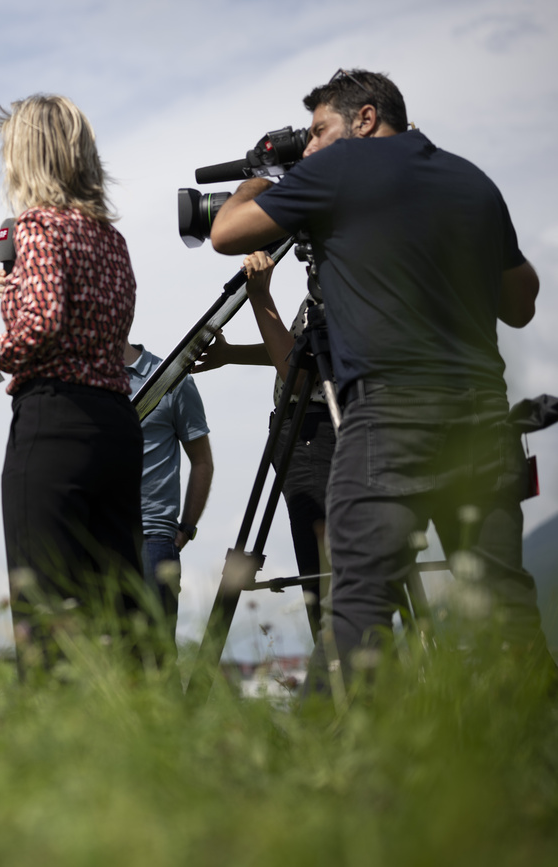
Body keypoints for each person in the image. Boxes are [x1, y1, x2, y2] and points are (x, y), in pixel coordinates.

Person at [209, 68, 552, 685]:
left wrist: (267, 171)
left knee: (358, 609)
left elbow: (226, 233)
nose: (310, 147)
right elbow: (522, 301)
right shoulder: (471, 179)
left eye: (319, 131)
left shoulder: (338, 170)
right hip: (483, 420)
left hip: (391, 417)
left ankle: (334, 763)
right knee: (506, 606)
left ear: (366, 120)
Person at [0, 94, 144, 651]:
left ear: (26, 155)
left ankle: (52, 728)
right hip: (116, 419)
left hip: (56, 420)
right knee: (120, 601)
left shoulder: (37, 226)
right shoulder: (110, 238)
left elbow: (42, 323)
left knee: (45, 605)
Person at [194, 252, 332, 638]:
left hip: (316, 431)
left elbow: (301, 378)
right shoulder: (349, 280)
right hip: (309, 429)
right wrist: (230, 354)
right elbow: (303, 355)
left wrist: (259, 297)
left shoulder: (341, 282)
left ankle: (335, 669)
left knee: (322, 576)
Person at [124, 341, 213, 642]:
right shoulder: (83, 377)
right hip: (96, 536)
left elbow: (202, 462)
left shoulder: (171, 379)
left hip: (154, 539)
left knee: (157, 656)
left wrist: (186, 527)